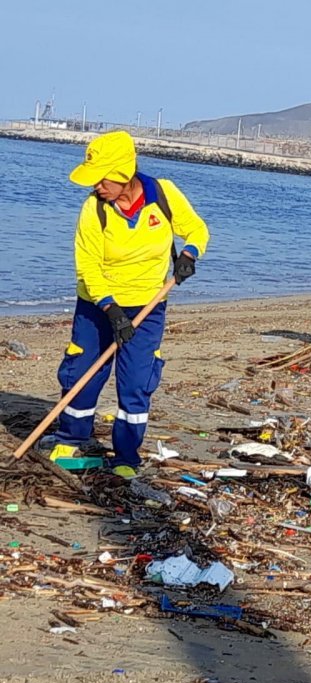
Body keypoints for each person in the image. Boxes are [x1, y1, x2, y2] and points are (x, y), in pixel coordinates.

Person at [40, 131, 209, 478]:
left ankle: (126, 456)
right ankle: (71, 438)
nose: (96, 187)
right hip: (97, 306)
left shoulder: (163, 194)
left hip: (147, 307)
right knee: (82, 372)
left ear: (122, 174)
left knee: (135, 381)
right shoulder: (94, 209)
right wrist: (110, 309)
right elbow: (87, 266)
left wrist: (189, 255)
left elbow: (197, 230)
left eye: (101, 179)